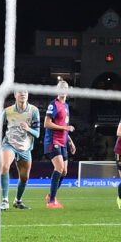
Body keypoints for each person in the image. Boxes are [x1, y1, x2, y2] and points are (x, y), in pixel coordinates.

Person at [0, 88, 41, 211]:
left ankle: (18, 201)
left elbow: (37, 134)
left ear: (27, 95)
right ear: (15, 95)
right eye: (20, 92)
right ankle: (5, 201)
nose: (23, 94)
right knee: (4, 166)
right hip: (9, 144)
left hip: (25, 148)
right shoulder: (8, 111)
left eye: (25, 92)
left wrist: (28, 129)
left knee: (24, 178)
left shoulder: (34, 111)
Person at [43, 79, 77, 208]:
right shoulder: (54, 105)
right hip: (53, 141)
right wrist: (65, 129)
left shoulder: (66, 106)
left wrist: (70, 141)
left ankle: (51, 194)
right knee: (59, 168)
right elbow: (46, 123)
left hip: (63, 142)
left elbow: (65, 125)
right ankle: (51, 201)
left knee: (64, 172)